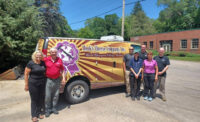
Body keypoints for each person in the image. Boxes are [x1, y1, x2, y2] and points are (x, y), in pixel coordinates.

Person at [24, 51, 46, 122]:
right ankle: (34, 115)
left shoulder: (43, 63)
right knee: (34, 100)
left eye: (40, 56)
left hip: (42, 83)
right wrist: (26, 85)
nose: (38, 57)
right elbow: (26, 74)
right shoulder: (31, 63)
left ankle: (39, 113)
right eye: (37, 56)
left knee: (40, 98)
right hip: (33, 83)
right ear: (34, 56)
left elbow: (44, 72)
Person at [44, 47, 65, 117]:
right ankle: (47, 109)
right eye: (52, 52)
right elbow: (39, 63)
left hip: (57, 80)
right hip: (48, 80)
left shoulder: (59, 60)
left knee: (56, 95)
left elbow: (62, 70)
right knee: (48, 96)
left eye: (55, 52)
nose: (54, 53)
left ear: (57, 53)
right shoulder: (46, 59)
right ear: (50, 53)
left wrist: (63, 78)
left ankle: (54, 108)